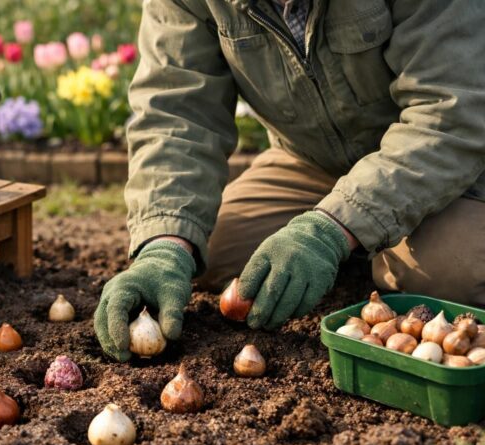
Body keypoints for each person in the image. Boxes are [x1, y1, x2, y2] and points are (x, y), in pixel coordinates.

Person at [94, 0, 485, 361]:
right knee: (216, 250)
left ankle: (365, 240)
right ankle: (362, 243)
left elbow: (451, 114)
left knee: (450, 271)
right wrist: (164, 245)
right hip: (311, 160)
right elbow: (177, 115)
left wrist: (330, 232)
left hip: (452, 156)